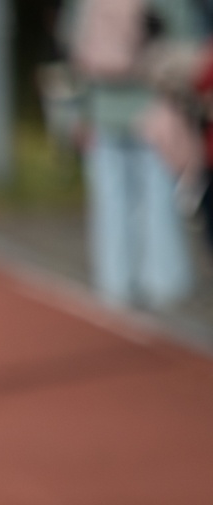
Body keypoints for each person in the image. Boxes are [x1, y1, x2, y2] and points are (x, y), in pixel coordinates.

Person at [63, 0, 206, 310]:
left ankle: (114, 281)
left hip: (102, 109)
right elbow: (188, 43)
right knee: (159, 200)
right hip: (152, 110)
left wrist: (80, 112)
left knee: (110, 202)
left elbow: (73, 47)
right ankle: (164, 282)